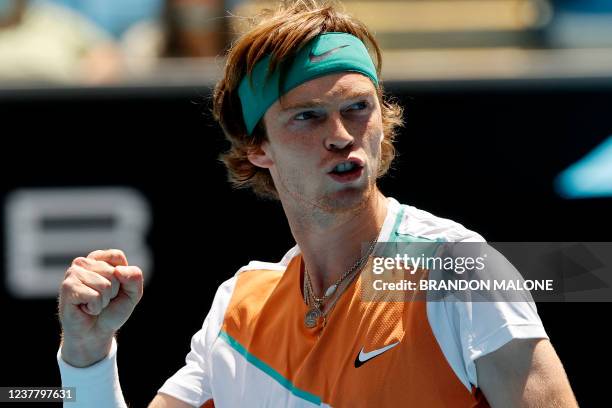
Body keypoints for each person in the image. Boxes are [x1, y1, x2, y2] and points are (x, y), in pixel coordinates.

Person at [56, 1, 579, 407]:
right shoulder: (239, 307)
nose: (341, 135)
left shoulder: (458, 270)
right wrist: (87, 354)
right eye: (306, 116)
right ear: (257, 147)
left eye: (357, 108)